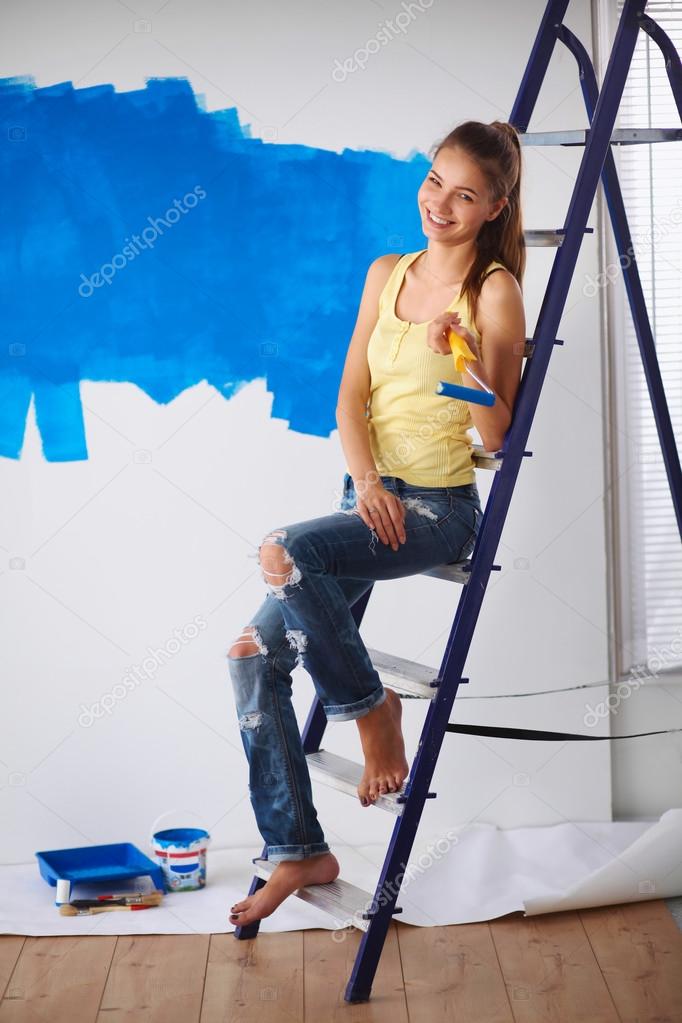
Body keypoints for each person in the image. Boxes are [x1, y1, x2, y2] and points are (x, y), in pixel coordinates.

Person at [227, 119, 527, 927]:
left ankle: (372, 713)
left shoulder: (493, 290)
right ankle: (297, 848)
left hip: (437, 508)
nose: (442, 203)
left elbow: (496, 434)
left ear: (494, 205)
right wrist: (364, 482)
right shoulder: (387, 271)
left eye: (466, 195)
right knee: (252, 657)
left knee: (284, 550)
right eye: (436, 182)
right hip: (370, 497)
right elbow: (350, 392)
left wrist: (461, 356)